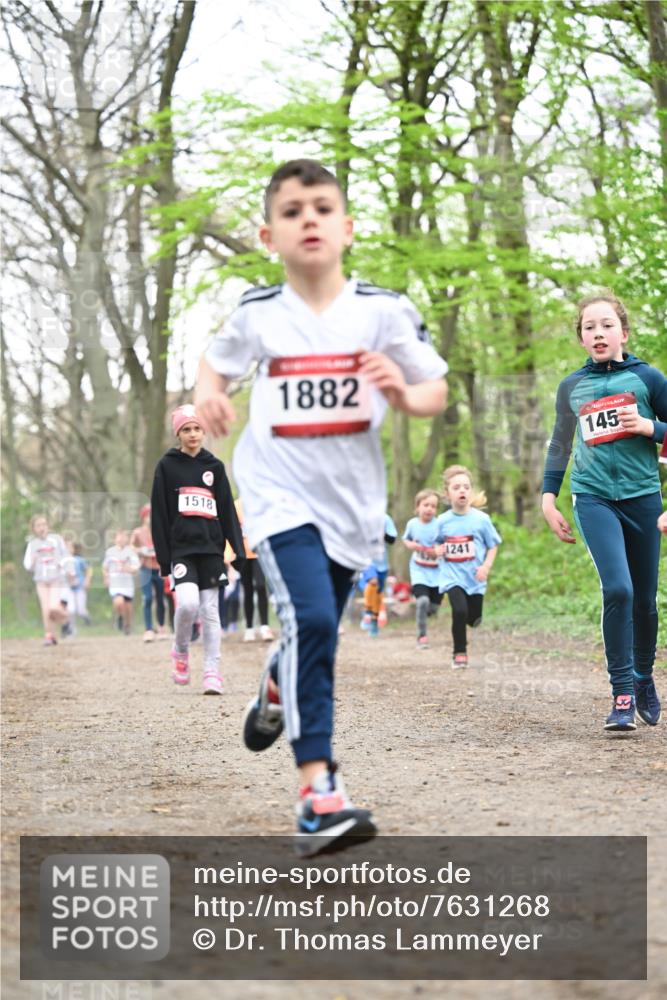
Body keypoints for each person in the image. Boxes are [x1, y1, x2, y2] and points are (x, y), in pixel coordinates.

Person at [195, 158, 447, 855]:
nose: (308, 218)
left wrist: (399, 390)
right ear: (267, 234)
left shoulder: (383, 310)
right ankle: (318, 792)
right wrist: (209, 395)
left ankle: (277, 685)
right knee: (309, 620)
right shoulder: (256, 315)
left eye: (321, 207)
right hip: (277, 497)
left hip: (352, 508)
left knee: (314, 631)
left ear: (346, 226)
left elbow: (434, 393)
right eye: (292, 209)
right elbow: (214, 365)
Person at [542, 290, 667, 731]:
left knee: (646, 601)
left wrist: (650, 427)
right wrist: (547, 496)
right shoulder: (572, 386)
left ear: (624, 333)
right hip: (593, 497)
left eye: (606, 325)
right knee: (619, 590)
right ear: (581, 338)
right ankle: (621, 694)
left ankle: (643, 675)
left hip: (643, 497)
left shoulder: (650, 379)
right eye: (589, 327)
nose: (598, 332)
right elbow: (560, 443)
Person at [150, 403, 244, 695]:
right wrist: (164, 560)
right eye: (186, 429)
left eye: (197, 429)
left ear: (204, 432)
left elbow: (227, 510)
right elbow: (160, 515)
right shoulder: (166, 466)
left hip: (211, 550)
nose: (193, 434)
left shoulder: (214, 467)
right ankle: (180, 650)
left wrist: (237, 551)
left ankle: (212, 672)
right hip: (181, 550)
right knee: (188, 604)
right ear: (178, 434)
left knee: (211, 611)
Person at [437, 466, 501, 669]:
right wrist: (436, 550)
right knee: (459, 610)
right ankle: (459, 653)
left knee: (474, 619)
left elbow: (493, 545)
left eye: (466, 487)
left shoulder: (481, 520)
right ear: (448, 494)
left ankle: (469, 622)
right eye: (456, 487)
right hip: (451, 576)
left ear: (471, 492)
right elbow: (433, 545)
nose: (462, 490)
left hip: (475, 578)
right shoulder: (441, 522)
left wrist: (486, 567)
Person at [402, 490, 443, 650]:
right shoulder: (412, 524)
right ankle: (422, 636)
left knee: (433, 608)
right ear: (417, 507)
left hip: (438, 572)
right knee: (423, 601)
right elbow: (406, 539)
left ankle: (423, 613)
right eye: (426, 505)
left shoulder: (440, 524)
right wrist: (411, 545)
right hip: (419, 570)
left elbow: (446, 542)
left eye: (433, 506)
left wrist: (438, 550)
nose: (429, 509)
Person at [23, 514, 69, 645]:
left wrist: (65, 568)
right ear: (33, 529)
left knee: (53, 607)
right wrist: (34, 556)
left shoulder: (56, 539)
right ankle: (49, 635)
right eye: (38, 525)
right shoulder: (32, 544)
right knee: (45, 608)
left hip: (56, 578)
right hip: (41, 580)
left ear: (48, 526)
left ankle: (66, 619)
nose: (42, 528)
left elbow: (65, 556)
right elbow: (28, 566)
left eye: (44, 524)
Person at [236, 498, 274, 642]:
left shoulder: (260, 501)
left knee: (260, 585)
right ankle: (249, 627)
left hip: (259, 552)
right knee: (248, 589)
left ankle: (264, 626)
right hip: (243, 553)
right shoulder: (236, 505)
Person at [131, 504, 166, 643]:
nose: (150, 518)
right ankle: (148, 629)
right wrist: (141, 550)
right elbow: (131, 546)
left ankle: (161, 627)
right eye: (148, 515)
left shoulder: (161, 530)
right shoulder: (138, 532)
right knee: (147, 598)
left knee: (160, 599)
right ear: (143, 517)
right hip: (145, 568)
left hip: (159, 568)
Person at [360, 513, 397, 637]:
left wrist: (380, 532)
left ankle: (374, 620)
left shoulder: (385, 518)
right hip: (366, 560)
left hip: (382, 563)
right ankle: (368, 611)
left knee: (378, 591)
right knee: (372, 582)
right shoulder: (361, 515)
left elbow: (392, 540)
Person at [102, 530, 140, 635]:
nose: (121, 539)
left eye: (124, 537)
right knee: (119, 602)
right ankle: (120, 617)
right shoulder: (110, 552)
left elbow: (136, 567)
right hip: (115, 582)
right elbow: (105, 567)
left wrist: (129, 569)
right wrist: (106, 578)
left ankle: (127, 625)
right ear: (115, 539)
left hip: (127, 583)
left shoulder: (130, 552)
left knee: (128, 606)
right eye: (119, 536)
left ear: (127, 539)